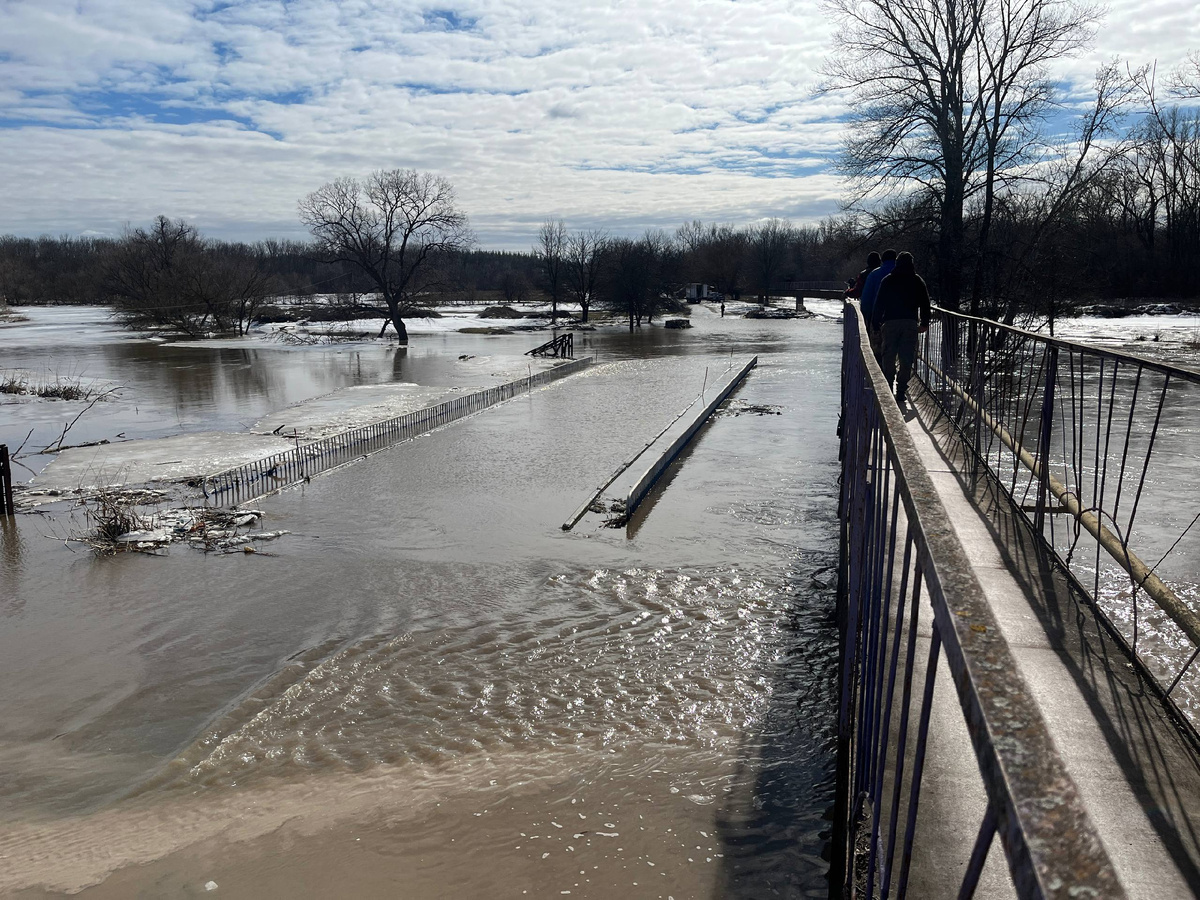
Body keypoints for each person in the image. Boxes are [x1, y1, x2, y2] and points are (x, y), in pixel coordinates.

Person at [869, 251, 930, 405]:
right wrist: (924, 323)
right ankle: (901, 390)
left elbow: (879, 303)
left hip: (890, 323)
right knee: (906, 357)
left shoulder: (888, 280)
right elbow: (925, 303)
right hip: (910, 323)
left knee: (888, 355)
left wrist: (875, 323)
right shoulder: (917, 281)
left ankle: (888, 385)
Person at [859, 249, 896, 353]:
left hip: (879, 317)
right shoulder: (909, 275)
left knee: (879, 348)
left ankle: (880, 365)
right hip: (903, 317)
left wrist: (867, 317)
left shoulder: (874, 274)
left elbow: (866, 299)